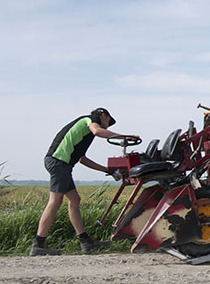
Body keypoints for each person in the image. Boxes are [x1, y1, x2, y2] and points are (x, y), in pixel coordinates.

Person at [30, 107, 135, 256]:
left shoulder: (84, 134)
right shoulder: (89, 120)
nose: (107, 126)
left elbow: (82, 159)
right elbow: (98, 131)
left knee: (74, 200)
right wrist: (124, 137)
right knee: (55, 202)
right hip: (59, 162)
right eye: (108, 122)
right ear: (102, 115)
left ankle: (86, 242)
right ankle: (38, 244)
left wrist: (107, 170)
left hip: (62, 164)